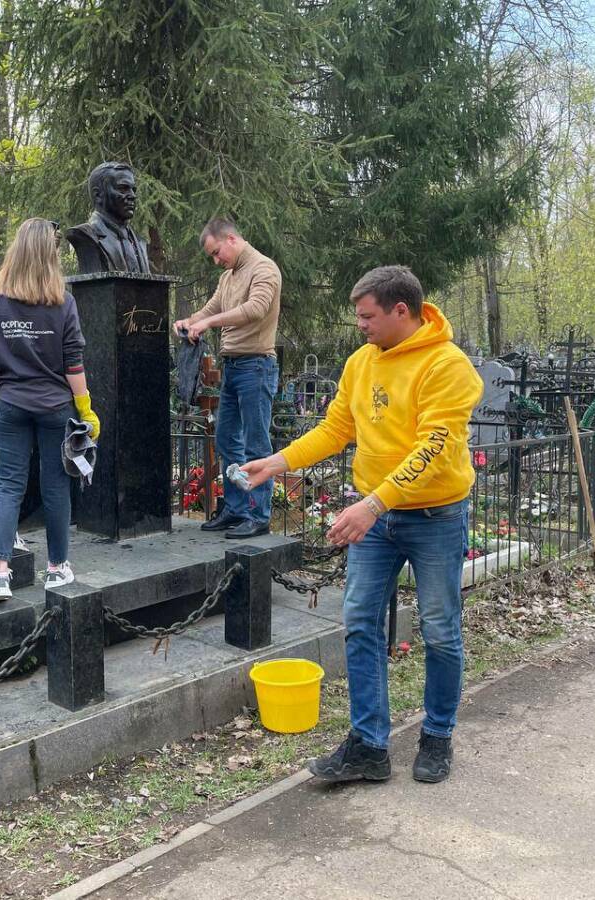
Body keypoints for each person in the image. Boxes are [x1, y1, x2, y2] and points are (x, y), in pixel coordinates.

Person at [241, 265, 483, 784]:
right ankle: (369, 746)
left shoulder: (447, 365)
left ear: (401, 311)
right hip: (377, 516)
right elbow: (335, 428)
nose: (361, 326)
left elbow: (434, 450)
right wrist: (278, 462)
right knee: (359, 620)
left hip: (435, 516)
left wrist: (371, 505)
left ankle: (437, 735)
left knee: (439, 628)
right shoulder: (361, 363)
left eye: (367, 316)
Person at [0, 217, 100, 603]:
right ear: (50, 254)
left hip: (11, 405)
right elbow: (73, 364)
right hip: (54, 407)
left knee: (9, 485)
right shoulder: (62, 302)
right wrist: (86, 408)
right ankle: (57, 568)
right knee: (55, 484)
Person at [172, 216, 281, 539]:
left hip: (257, 366)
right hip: (233, 367)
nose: (216, 260)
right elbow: (209, 310)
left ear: (231, 239)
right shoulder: (228, 277)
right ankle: (236, 509)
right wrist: (189, 321)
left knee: (256, 443)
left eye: (217, 252)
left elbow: (256, 309)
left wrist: (208, 324)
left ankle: (259, 515)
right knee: (227, 439)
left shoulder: (264, 268)